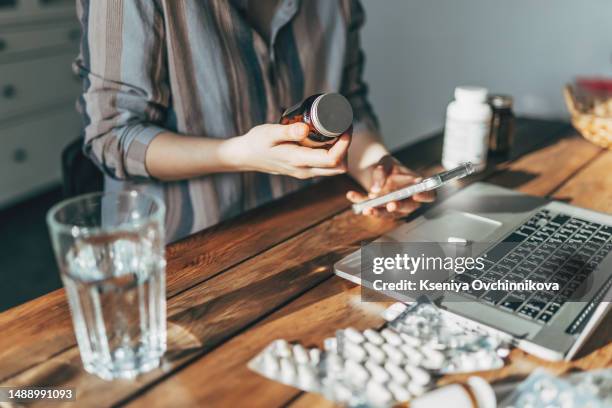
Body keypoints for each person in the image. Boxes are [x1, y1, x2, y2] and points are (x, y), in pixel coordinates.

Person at [74, 0, 434, 242]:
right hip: (180, 252)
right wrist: (236, 154)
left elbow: (346, 103)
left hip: (299, 230)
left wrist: (379, 172)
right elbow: (112, 137)